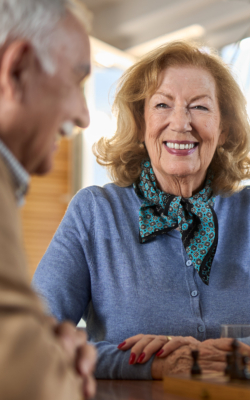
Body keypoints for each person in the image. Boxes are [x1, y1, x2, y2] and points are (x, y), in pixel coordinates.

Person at [32, 40, 250, 380]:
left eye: (199, 107)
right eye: (163, 105)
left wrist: (246, 353)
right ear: (141, 124)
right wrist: (149, 365)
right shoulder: (94, 212)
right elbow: (37, 341)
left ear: (223, 129)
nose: (181, 123)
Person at [0, 0, 97, 399]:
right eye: (78, 81)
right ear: (17, 69)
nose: (84, 115)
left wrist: (47, 348)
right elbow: (33, 384)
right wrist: (60, 366)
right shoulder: (93, 209)